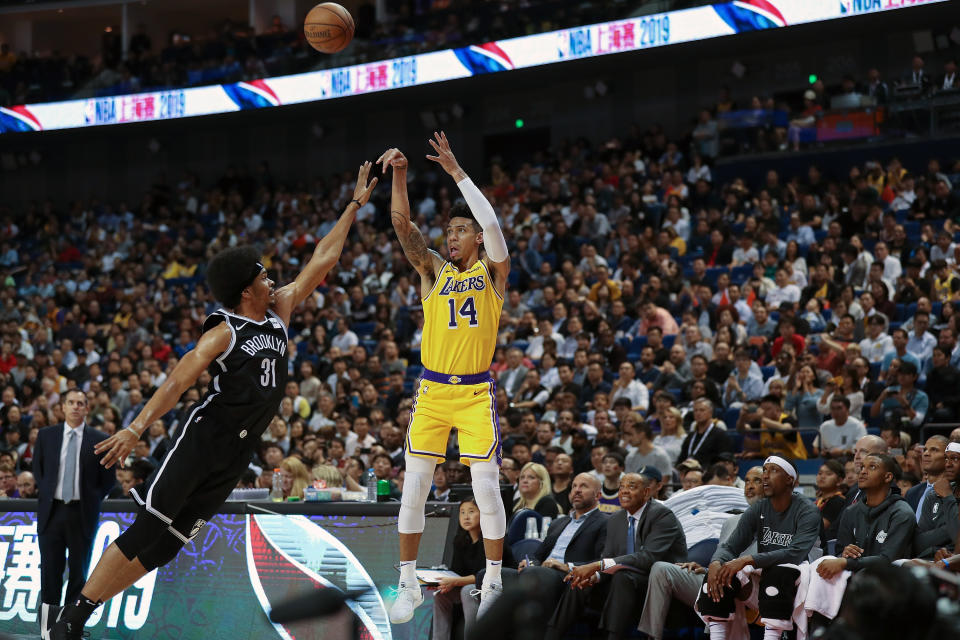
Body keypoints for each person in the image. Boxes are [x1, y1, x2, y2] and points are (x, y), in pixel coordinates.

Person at [51, 163, 378, 640]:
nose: (273, 280)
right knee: (147, 531)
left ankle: (83, 611)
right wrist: (137, 427)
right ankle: (72, 618)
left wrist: (353, 206)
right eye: (264, 276)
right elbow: (178, 381)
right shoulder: (226, 330)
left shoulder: (279, 313)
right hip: (204, 442)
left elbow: (323, 260)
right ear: (246, 290)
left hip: (236, 454)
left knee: (166, 548)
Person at [380, 133, 512, 624]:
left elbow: (494, 222)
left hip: (475, 391)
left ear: (476, 238)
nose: (452, 235)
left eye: (461, 229)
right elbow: (401, 226)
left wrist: (457, 172)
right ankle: (408, 581)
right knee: (414, 487)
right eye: (450, 229)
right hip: (433, 390)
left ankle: (495, 579)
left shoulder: (494, 273)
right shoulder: (433, 271)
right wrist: (399, 176)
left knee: (486, 486)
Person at [545, 468, 686, 640]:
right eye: (621, 487)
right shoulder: (616, 519)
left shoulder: (662, 515)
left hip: (657, 580)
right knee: (581, 580)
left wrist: (598, 566)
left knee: (622, 577)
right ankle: (552, 634)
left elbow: (648, 557)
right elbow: (608, 556)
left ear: (647, 492)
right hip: (626, 578)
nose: (624, 491)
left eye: (632, 486)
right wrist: (595, 575)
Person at [698, 457, 821, 640]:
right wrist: (716, 562)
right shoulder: (759, 509)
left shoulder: (807, 510)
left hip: (800, 583)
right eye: (764, 470)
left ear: (790, 480)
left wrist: (748, 560)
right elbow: (731, 545)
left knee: (778, 573)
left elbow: (794, 554)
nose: (765, 476)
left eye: (773, 470)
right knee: (718, 575)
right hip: (765, 575)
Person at [639, 467, 763, 640]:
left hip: (754, 588)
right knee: (661, 569)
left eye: (756, 480)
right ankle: (652, 637)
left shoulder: (779, 520)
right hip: (720, 581)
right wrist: (705, 569)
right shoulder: (730, 522)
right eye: (747, 481)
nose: (749, 486)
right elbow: (720, 560)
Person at [34, 389, 115, 640]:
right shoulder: (46, 436)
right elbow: (39, 471)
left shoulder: (100, 439)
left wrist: (89, 500)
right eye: (71, 402)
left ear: (87, 408)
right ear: (63, 407)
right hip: (52, 511)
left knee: (79, 574)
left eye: (81, 403)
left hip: (82, 513)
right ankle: (47, 631)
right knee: (50, 572)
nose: (76, 407)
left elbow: (108, 481)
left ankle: (68, 629)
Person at [816, 454, 915, 580]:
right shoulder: (850, 511)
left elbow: (888, 559)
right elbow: (839, 553)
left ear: (888, 477)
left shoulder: (902, 513)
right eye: (862, 467)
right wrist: (845, 553)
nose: (863, 472)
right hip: (854, 578)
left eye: (872, 467)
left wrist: (846, 562)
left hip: (890, 582)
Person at [431, 497, 517, 640]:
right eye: (462, 512)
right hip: (475, 585)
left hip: (500, 586)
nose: (466, 517)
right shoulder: (460, 541)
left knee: (468, 591)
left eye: (471, 511)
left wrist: (454, 582)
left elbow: (483, 575)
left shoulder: (492, 540)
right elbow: (457, 574)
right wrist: (441, 582)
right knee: (441, 594)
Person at [815, 459, 847, 547]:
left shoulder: (838, 501)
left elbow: (817, 527)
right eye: (820, 473)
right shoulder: (820, 500)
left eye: (828, 474)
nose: (822, 477)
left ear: (839, 481)